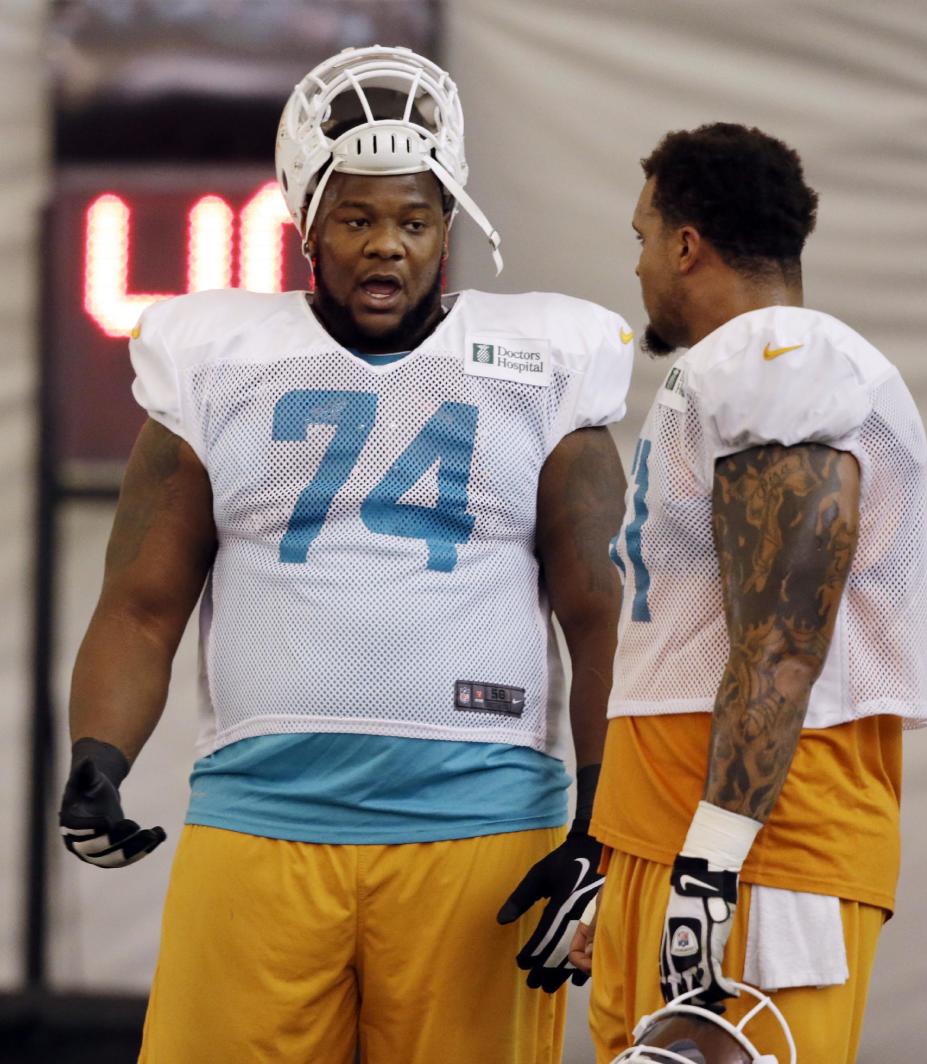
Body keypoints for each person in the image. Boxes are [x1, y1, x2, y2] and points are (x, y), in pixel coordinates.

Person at [57, 46, 634, 1064]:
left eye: (413, 220)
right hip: (259, 818)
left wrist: (600, 822)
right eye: (358, 218)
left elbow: (599, 608)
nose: (387, 247)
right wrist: (98, 754)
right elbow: (144, 601)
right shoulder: (219, 360)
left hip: (483, 829)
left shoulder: (544, 365)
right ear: (307, 224)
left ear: (447, 228)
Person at [570, 122, 927, 1064]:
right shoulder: (724, 375)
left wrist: (712, 866)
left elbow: (781, 643)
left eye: (644, 237)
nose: (641, 265)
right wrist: (626, 857)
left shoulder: (783, 361)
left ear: (687, 245)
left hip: (760, 853)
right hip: (676, 841)